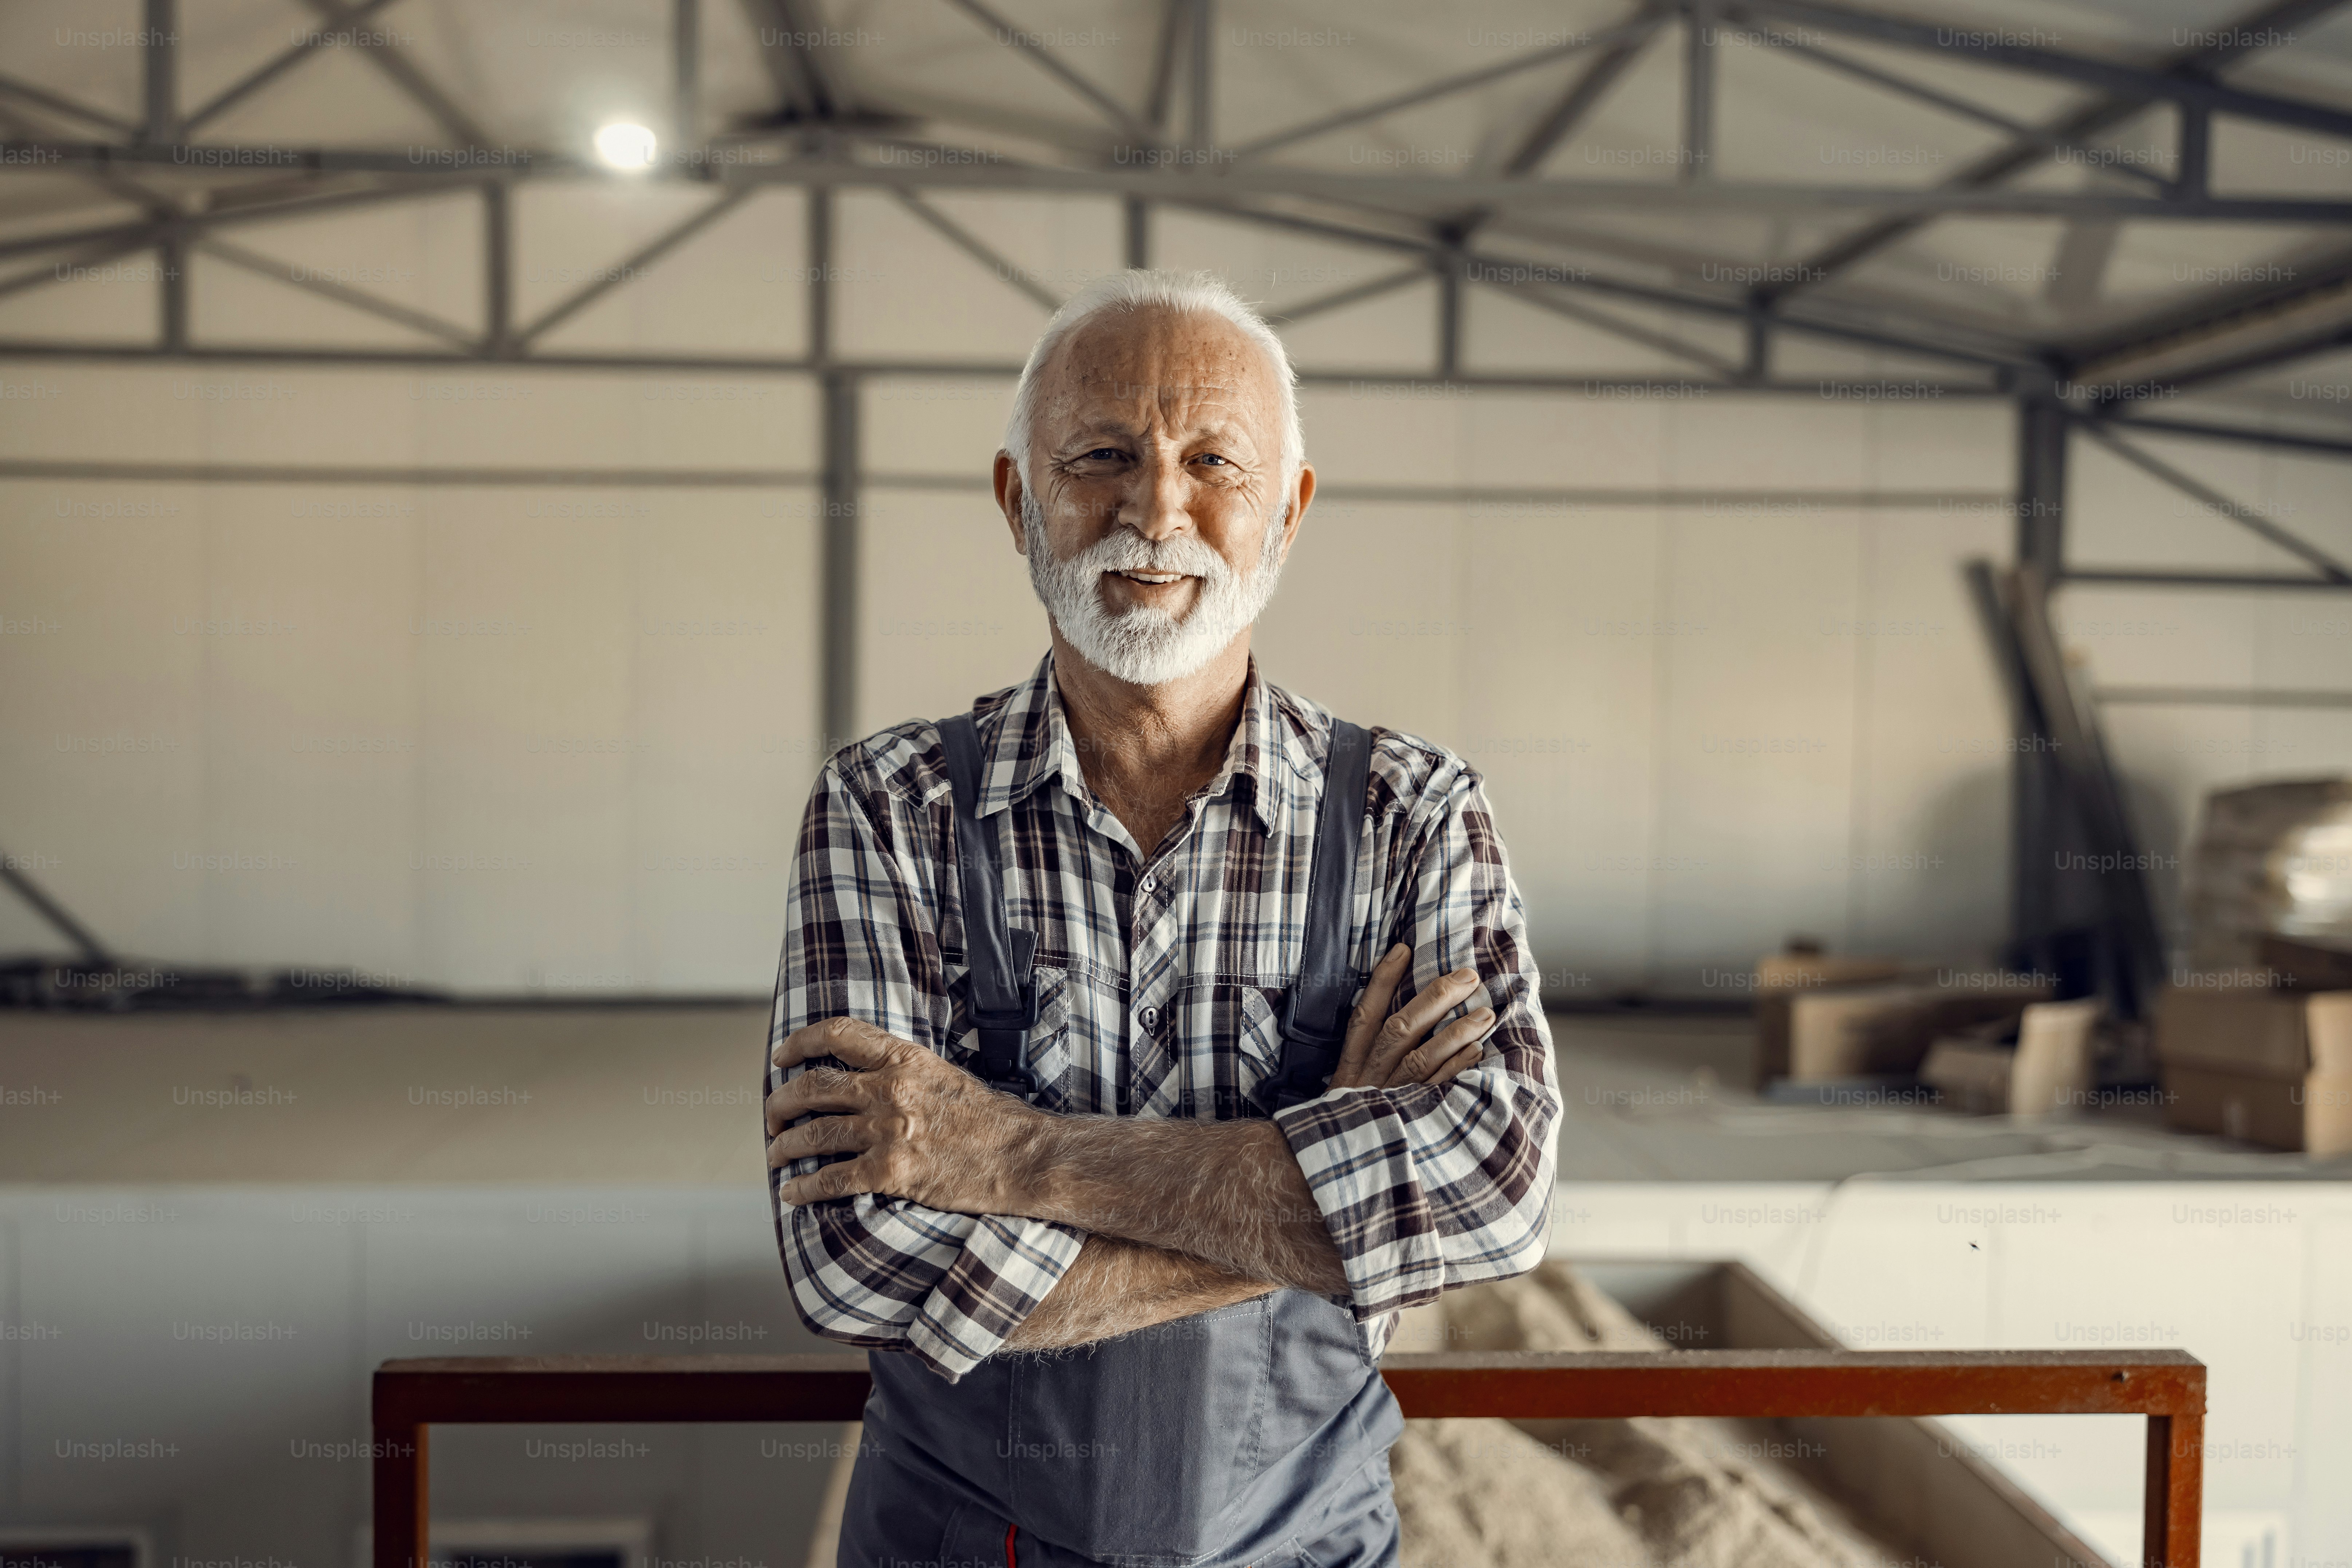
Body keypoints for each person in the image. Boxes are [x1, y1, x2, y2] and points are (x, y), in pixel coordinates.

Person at [763, 269, 1559, 1567]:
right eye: (1100, 457)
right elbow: (853, 1259)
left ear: (1286, 512)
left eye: (1212, 462)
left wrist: (1008, 1156)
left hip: (1306, 1547)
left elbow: (1492, 1197)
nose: (1156, 510)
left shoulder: (1411, 811)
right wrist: (1331, 1191)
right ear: (1020, 499)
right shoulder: (888, 806)